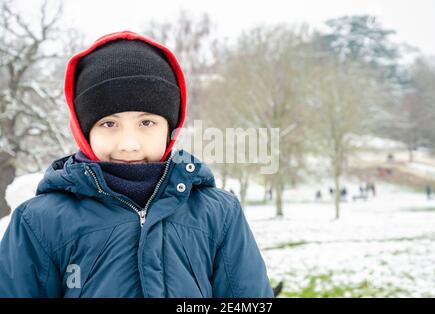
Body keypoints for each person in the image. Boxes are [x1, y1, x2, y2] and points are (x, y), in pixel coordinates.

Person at [0, 31, 273, 298]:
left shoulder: (218, 214)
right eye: (109, 123)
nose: (128, 144)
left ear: (170, 128)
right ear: (84, 132)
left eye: (146, 123)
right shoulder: (39, 222)